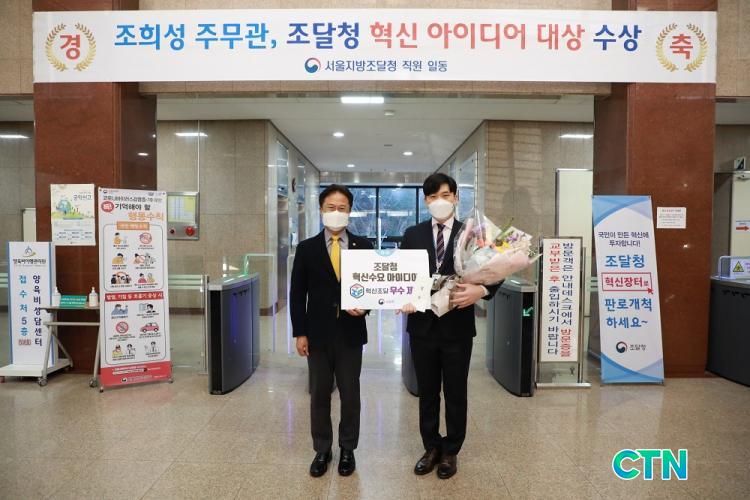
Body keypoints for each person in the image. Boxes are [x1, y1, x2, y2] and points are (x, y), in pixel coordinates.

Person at [398, 173, 500, 480]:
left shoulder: (473, 233)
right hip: (422, 327)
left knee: (456, 392)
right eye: (432, 197)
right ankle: (431, 447)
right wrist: (401, 297)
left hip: (457, 327)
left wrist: (481, 291)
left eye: (444, 195)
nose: (438, 201)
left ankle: (451, 450)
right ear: (425, 201)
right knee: (427, 392)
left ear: (456, 197)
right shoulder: (412, 234)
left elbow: (498, 270)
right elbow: (400, 274)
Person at [290, 184, 372, 478]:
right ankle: (322, 449)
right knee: (319, 393)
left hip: (351, 332)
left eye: (342, 208)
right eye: (330, 207)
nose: (336, 212)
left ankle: (348, 448)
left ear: (349, 211)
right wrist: (300, 332)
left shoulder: (364, 246)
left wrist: (366, 307)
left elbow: (372, 288)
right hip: (317, 332)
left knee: (350, 393)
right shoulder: (307, 248)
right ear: (321, 210)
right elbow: (297, 294)